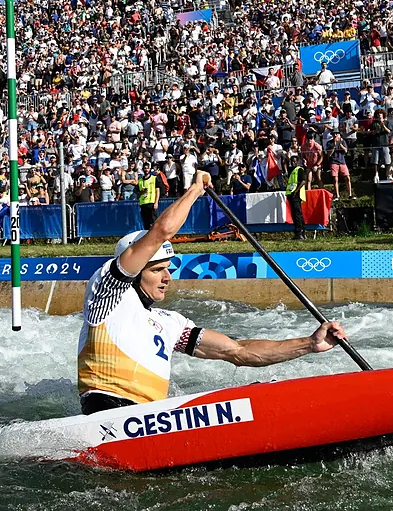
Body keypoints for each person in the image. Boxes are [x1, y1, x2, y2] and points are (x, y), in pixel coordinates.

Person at [76, 171, 349, 415]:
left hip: (150, 419)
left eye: (167, 269)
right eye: (156, 270)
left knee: (256, 390)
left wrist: (310, 344)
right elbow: (160, 232)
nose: (167, 278)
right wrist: (195, 189)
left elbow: (238, 351)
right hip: (107, 415)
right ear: (135, 272)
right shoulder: (108, 294)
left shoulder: (171, 323)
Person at [286, 157, 309, 240]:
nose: (293, 163)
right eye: (292, 161)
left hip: (296, 195)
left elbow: (303, 181)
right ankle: (300, 232)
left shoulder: (299, 170)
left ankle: (300, 232)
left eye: (294, 161)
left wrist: (296, 190)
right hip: (291, 195)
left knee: (297, 214)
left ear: (297, 162)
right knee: (295, 214)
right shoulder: (292, 171)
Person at [325, 132, 352, 198]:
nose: (335, 135)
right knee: (335, 178)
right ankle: (337, 195)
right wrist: (334, 145)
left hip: (342, 161)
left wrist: (340, 144)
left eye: (336, 134)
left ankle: (350, 194)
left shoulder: (343, 141)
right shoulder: (329, 143)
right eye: (334, 134)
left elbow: (346, 151)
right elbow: (329, 154)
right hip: (334, 161)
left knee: (347, 177)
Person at [137, 163, 161, 228]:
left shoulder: (154, 178)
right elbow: (138, 194)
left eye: (147, 168)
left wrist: (156, 202)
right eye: (145, 168)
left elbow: (157, 191)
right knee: (146, 223)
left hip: (151, 203)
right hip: (143, 203)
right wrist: (142, 191)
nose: (146, 170)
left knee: (154, 222)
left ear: (149, 169)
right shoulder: (140, 181)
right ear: (143, 169)